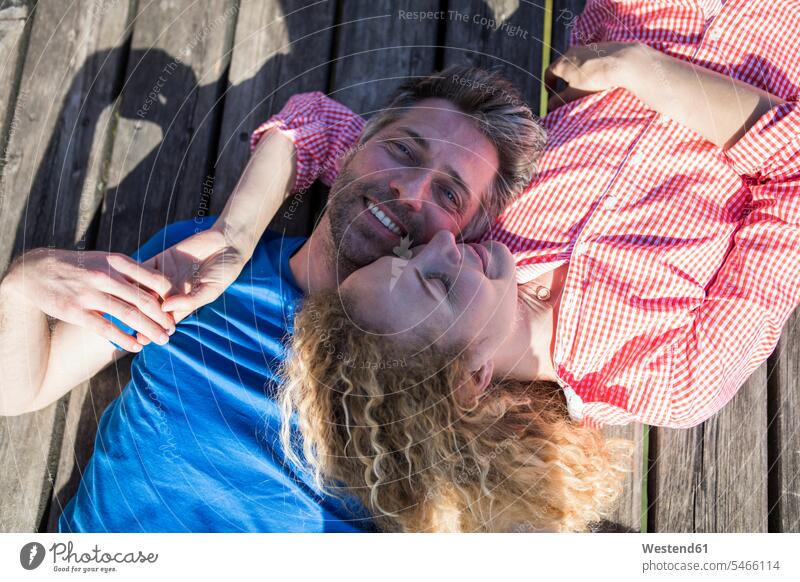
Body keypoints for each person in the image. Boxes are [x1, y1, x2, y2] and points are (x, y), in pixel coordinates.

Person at [0, 67, 548, 531]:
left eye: (449, 193)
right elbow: (22, 387)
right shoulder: (196, 267)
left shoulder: (444, 366)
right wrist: (25, 285)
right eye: (402, 149)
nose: (410, 190)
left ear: (465, 240)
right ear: (353, 149)